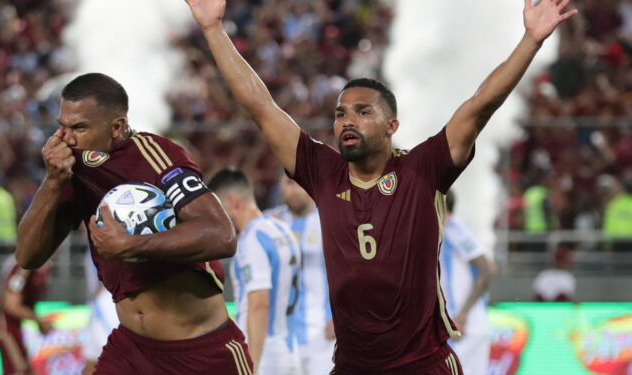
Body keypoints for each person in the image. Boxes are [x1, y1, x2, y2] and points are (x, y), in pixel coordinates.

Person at [186, 0, 577, 372]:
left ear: (392, 126)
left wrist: (530, 41)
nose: (347, 120)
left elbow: (479, 106)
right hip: (353, 366)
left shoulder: (422, 169)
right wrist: (214, 29)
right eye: (340, 113)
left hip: (423, 365)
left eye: (362, 111)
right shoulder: (323, 171)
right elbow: (261, 107)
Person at [15, 73, 252, 374]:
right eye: (62, 126)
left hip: (201, 351)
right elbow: (27, 256)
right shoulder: (74, 172)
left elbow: (221, 235)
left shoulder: (158, 156)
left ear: (116, 127)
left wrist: (131, 245)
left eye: (79, 128)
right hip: (131, 351)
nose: (66, 138)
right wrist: (51, 182)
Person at [209, 169, 302, 375]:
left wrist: (251, 365)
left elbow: (259, 304)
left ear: (234, 202)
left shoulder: (251, 239)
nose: (218, 218)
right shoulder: (281, 228)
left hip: (264, 354)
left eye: (219, 208)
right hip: (289, 348)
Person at [267, 175, 334, 375]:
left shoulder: (329, 221)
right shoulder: (270, 223)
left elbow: (351, 274)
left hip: (323, 332)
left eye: (300, 183)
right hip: (283, 336)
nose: (295, 190)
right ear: (280, 185)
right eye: (289, 183)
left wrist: (340, 317)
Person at [440, 193, 497, 375]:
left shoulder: (455, 229)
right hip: (454, 328)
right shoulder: (442, 232)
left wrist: (463, 314)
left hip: (467, 328)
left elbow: (487, 270)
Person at [0, 256, 53, 375]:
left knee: (26, 370)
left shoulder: (44, 269)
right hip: (5, 328)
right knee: (18, 370)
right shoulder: (23, 269)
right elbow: (11, 305)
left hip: (15, 328)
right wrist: (39, 320)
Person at [81, 251, 119, 375]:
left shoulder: (105, 242)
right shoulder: (92, 249)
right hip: (102, 307)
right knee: (95, 362)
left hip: (107, 305)